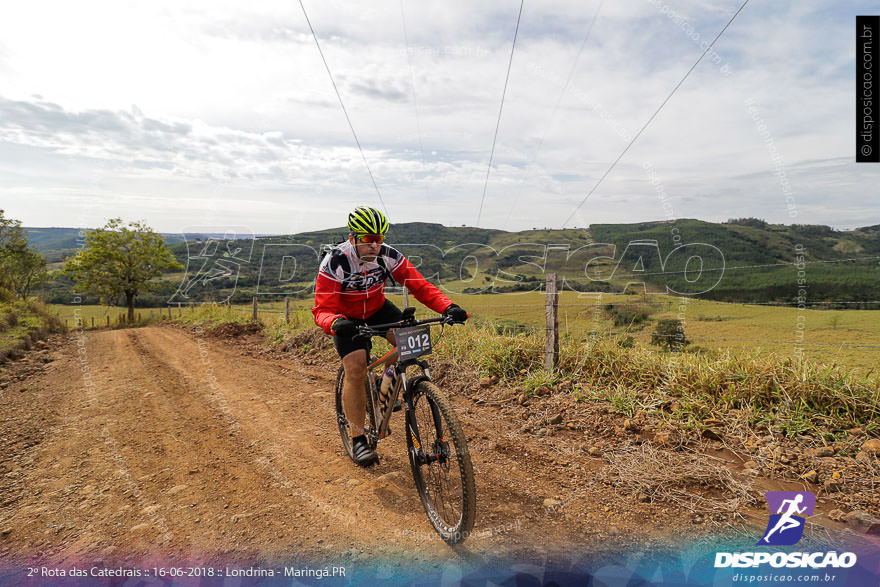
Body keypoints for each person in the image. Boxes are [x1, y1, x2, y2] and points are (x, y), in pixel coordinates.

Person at [312, 206, 468, 467]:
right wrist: (336, 322)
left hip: (376, 308)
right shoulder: (335, 261)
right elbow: (321, 309)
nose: (374, 245)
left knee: (409, 344)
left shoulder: (389, 256)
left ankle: (383, 386)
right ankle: (358, 439)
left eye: (378, 239)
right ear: (353, 238)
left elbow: (420, 286)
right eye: (367, 239)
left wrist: (447, 307)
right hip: (345, 317)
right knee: (356, 368)